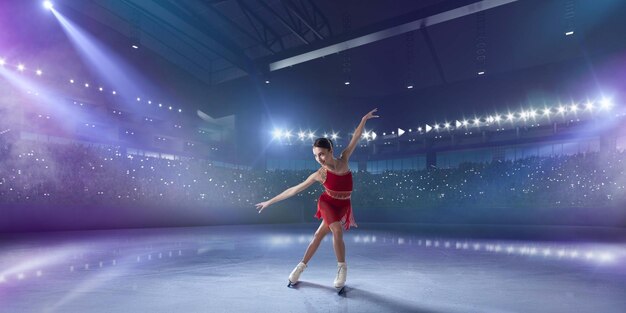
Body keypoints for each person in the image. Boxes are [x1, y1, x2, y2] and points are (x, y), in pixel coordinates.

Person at [255, 108, 379, 290]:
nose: (319, 158)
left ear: (330, 151)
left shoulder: (344, 159)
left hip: (343, 204)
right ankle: (342, 269)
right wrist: (269, 202)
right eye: (315, 155)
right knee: (337, 230)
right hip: (327, 203)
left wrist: (363, 120)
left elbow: (356, 137)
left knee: (318, 235)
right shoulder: (320, 174)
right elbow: (293, 190)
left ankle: (300, 267)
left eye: (321, 154)